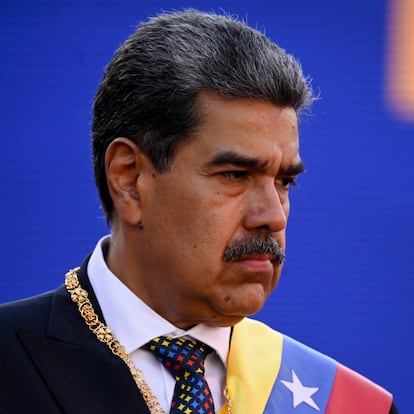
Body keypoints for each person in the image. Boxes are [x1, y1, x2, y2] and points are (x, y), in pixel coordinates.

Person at [0, 9, 397, 414]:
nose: (273, 216)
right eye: (235, 174)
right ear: (130, 179)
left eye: (284, 181)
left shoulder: (346, 403)